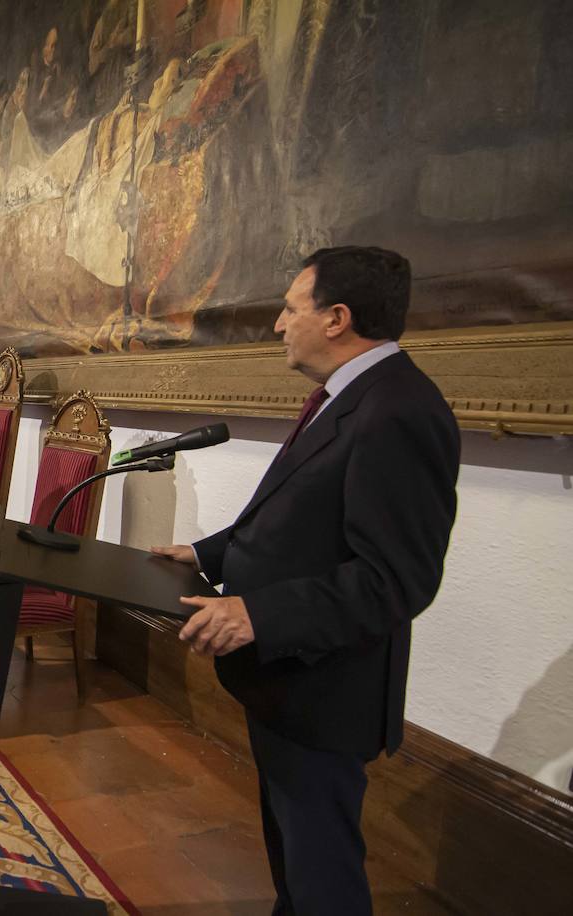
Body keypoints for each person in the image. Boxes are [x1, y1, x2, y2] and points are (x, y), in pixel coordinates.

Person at [152, 247, 461, 915]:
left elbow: (395, 580)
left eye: (291, 309)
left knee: (323, 872)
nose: (277, 325)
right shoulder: (349, 397)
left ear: (336, 319)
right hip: (287, 675)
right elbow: (296, 515)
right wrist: (205, 553)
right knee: (295, 860)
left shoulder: (399, 410)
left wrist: (260, 614)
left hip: (326, 684)